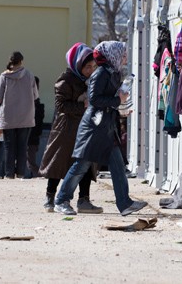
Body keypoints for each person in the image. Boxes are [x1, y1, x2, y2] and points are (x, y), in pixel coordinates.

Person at [54, 41, 148, 216]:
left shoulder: (113, 73)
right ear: (113, 55)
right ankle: (61, 200)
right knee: (81, 165)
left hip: (105, 127)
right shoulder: (101, 73)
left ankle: (125, 203)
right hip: (93, 128)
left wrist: (121, 108)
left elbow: (109, 99)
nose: (125, 57)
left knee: (118, 166)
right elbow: (95, 100)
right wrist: (117, 101)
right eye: (123, 54)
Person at [39, 43, 101, 213]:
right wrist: (83, 106)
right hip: (66, 129)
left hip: (84, 127)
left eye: (93, 66)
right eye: (87, 66)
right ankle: (50, 197)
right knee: (59, 163)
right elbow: (61, 106)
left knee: (86, 162)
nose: (90, 70)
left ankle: (84, 199)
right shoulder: (65, 80)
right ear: (77, 64)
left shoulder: (88, 80)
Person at [0, 51, 38, 179]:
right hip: (26, 115)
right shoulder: (29, 75)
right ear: (21, 61)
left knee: (9, 146)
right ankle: (20, 173)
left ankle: (9, 174)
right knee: (22, 145)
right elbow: (35, 95)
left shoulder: (4, 76)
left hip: (8, 116)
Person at [26, 77, 45, 178]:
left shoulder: (31, 103)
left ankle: (39, 175)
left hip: (30, 135)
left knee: (30, 161)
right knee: (29, 160)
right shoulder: (37, 104)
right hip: (34, 135)